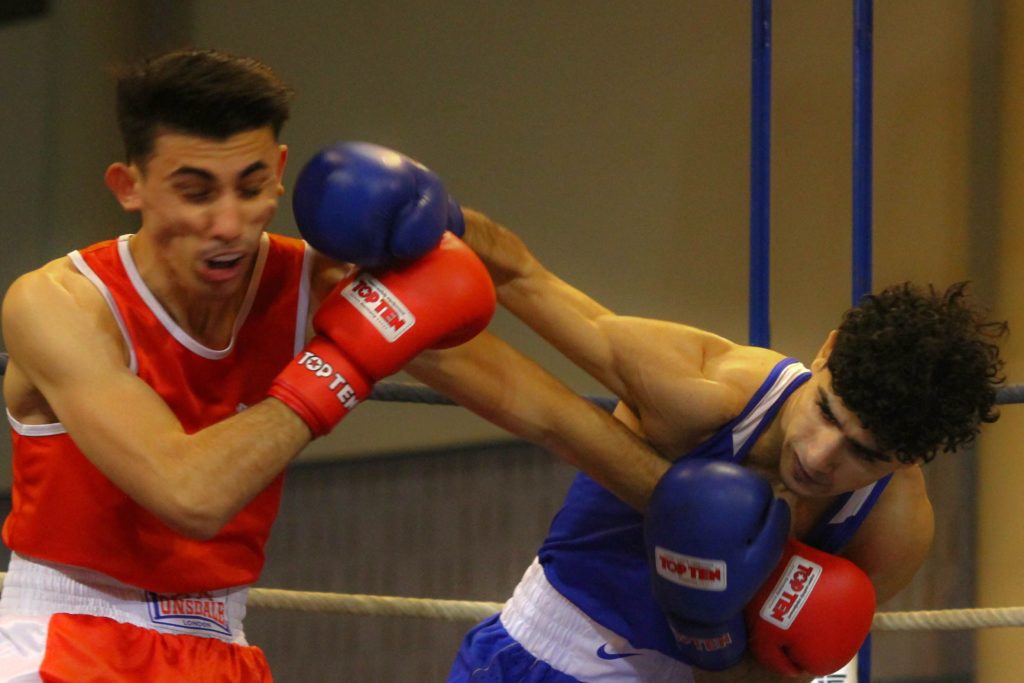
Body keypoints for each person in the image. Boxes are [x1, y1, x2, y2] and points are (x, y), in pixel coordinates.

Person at [0, 48, 508, 680]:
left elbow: (540, 414)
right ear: (129, 186)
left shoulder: (313, 283)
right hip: (67, 635)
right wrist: (344, 361)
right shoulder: (62, 302)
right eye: (196, 192)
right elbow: (189, 494)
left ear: (279, 174)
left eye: (250, 186)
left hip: (221, 642)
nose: (228, 224)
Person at [404, 210, 1007, 683]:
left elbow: (776, 678)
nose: (822, 457)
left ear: (909, 459)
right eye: (827, 412)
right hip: (542, 663)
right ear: (825, 354)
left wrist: (710, 632)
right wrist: (432, 218)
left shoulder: (894, 529)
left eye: (866, 454)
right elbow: (523, 279)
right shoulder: (706, 390)